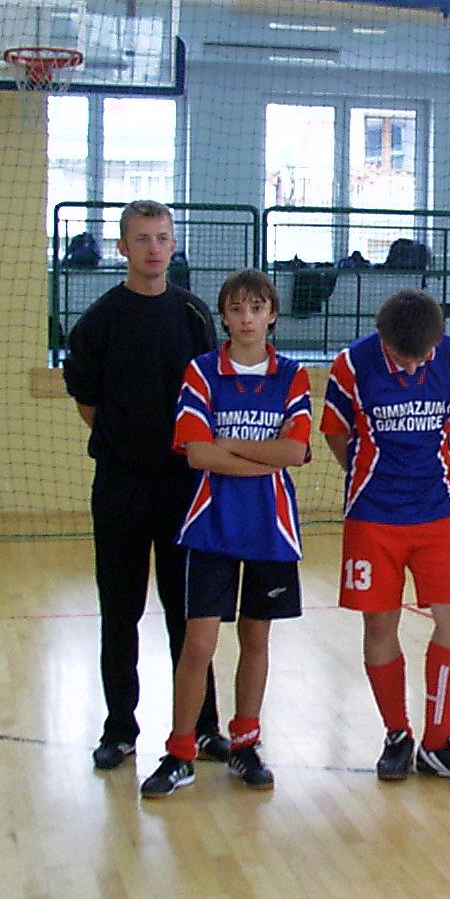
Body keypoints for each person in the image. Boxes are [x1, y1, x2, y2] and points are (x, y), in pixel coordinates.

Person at [63, 200, 228, 771]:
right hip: (121, 487)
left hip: (184, 488)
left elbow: (211, 394)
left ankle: (202, 726)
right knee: (120, 611)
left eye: (162, 237)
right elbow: (88, 402)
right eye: (141, 238)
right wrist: (129, 443)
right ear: (122, 248)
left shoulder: (194, 315)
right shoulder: (100, 320)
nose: (153, 248)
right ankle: (120, 728)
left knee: (189, 614)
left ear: (173, 244)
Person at [140, 271, 312, 798]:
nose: (246, 319)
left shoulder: (293, 376)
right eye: (236, 309)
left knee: (256, 638)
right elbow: (197, 454)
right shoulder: (201, 372)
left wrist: (229, 446)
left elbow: (295, 451)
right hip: (211, 524)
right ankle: (180, 752)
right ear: (224, 317)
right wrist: (263, 457)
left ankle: (245, 744)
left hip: (270, 528)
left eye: (256, 308)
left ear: (272, 315)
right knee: (198, 643)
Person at [321, 289, 450, 784]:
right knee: (380, 624)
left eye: (423, 358)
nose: (415, 366)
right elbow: (336, 434)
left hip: (435, 511)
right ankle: (397, 734)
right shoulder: (351, 365)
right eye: (403, 359)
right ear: (383, 340)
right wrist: (372, 474)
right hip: (373, 516)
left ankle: (438, 743)